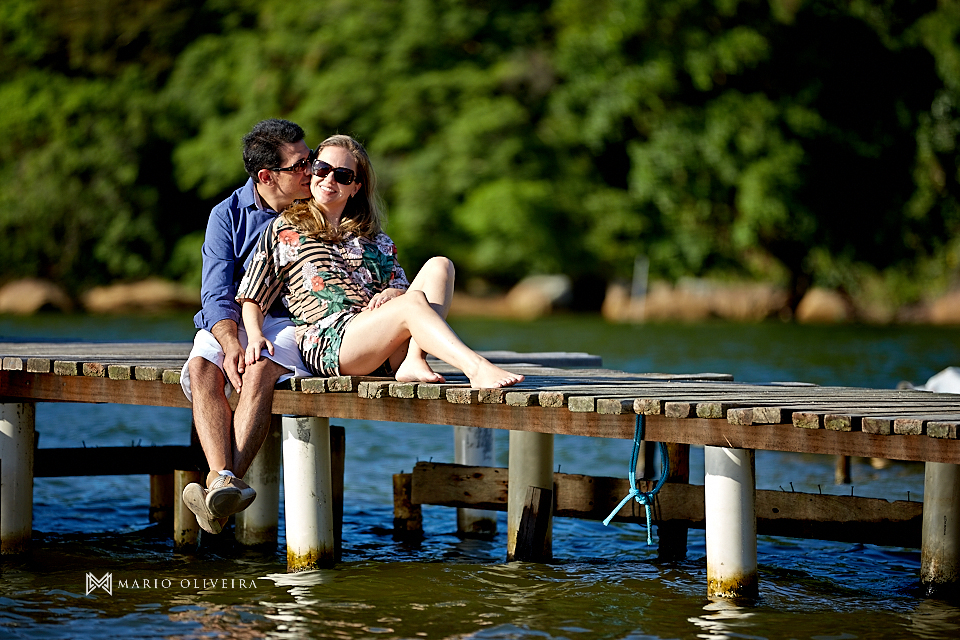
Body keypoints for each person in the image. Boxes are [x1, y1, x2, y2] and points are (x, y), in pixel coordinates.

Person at [236, 134, 524, 390]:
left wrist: (393, 293)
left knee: (440, 265)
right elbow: (253, 292)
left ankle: (414, 359)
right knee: (410, 304)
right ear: (311, 172)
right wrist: (255, 335)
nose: (329, 180)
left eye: (343, 176)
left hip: (381, 344)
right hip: (330, 343)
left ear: (356, 187)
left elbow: (406, 290)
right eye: (322, 169)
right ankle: (476, 367)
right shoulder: (286, 228)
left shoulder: (374, 237)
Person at [179, 119, 313, 535]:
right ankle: (226, 482)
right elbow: (215, 292)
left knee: (260, 367)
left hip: (289, 322)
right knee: (203, 367)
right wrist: (229, 340)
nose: (313, 170)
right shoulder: (227, 215)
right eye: (301, 165)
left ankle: (218, 487)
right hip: (234, 321)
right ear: (266, 177)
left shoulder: (316, 209)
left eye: (310, 159)